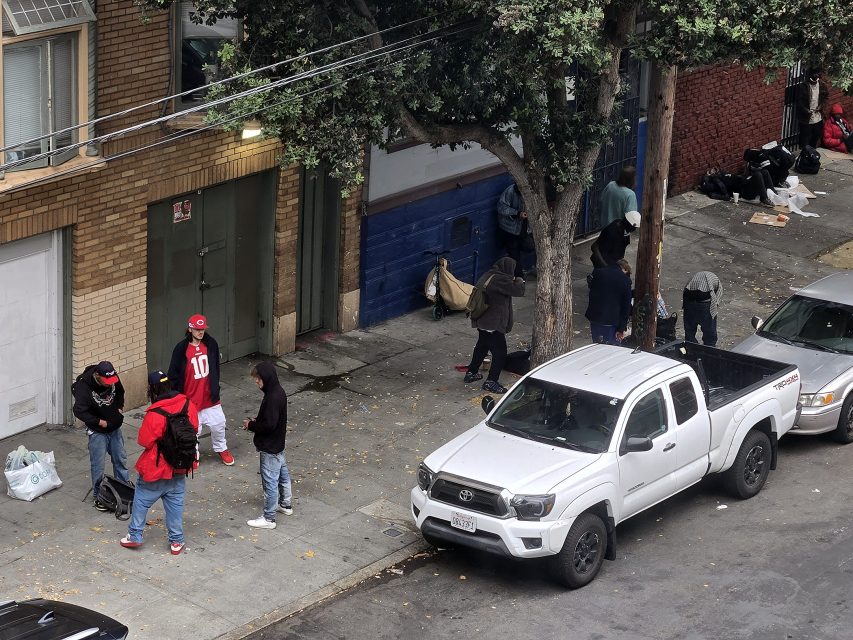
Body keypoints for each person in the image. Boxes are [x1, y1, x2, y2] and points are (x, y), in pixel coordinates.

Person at [120, 371, 199, 555]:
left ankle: (135, 535)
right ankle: (176, 541)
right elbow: (194, 428)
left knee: (141, 500)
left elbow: (145, 441)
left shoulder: (155, 413)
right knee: (175, 505)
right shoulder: (188, 404)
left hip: (157, 468)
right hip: (180, 466)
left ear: (152, 389)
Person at [168, 314, 235, 466]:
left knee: (219, 424)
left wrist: (215, 386)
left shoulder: (211, 344)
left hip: (210, 397)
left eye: (203, 329)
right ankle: (192, 453)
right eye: (197, 329)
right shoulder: (181, 348)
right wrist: (176, 396)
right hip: (190, 398)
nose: (200, 332)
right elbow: (173, 373)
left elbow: (216, 367)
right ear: (190, 329)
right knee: (192, 430)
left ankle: (221, 448)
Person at [463, 257, 526, 394]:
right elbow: (519, 290)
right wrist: (520, 278)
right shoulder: (501, 280)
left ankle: (471, 373)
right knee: (500, 353)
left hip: (482, 320)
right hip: (492, 323)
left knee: (482, 347)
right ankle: (491, 381)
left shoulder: (489, 275)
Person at [72, 361, 129, 511]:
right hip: (98, 432)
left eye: (112, 381)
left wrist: (120, 408)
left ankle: (124, 488)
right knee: (98, 465)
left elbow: (120, 392)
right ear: (97, 376)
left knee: (120, 459)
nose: (110, 384)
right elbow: (79, 411)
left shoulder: (112, 377)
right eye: (106, 381)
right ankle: (99, 495)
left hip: (115, 427)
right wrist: (99, 422)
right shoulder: (83, 387)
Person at [243, 362, 293, 529]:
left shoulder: (272, 397)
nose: (256, 381)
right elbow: (273, 420)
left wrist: (251, 425)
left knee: (270, 482)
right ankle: (285, 505)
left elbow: (269, 425)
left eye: (258, 378)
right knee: (283, 476)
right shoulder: (279, 392)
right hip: (278, 444)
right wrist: (258, 421)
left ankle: (269, 518)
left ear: (266, 378)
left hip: (269, 447)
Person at [585, 259, 633, 345]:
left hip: (595, 317)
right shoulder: (625, 280)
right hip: (611, 320)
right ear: (625, 269)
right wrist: (621, 329)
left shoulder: (598, 272)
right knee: (611, 348)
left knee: (596, 344)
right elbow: (626, 308)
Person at [496, 183, 533, 278]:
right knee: (514, 256)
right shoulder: (510, 191)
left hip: (524, 229)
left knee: (529, 247)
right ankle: (520, 278)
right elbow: (501, 207)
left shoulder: (532, 191)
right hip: (509, 230)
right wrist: (517, 213)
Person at [682, 271, 722, 347]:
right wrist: (714, 305)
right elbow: (718, 296)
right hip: (705, 305)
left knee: (689, 330)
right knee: (709, 331)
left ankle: (691, 347)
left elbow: (685, 292)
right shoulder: (715, 281)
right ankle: (709, 348)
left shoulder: (693, 279)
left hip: (689, 303)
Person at [795, 68, 828, 150]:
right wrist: (806, 110)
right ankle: (804, 153)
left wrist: (821, 106)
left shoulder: (822, 85)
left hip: (817, 115)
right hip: (806, 117)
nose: (816, 76)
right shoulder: (804, 86)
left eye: (817, 74)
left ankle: (812, 151)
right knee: (805, 136)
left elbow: (825, 97)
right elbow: (799, 101)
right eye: (814, 74)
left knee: (817, 134)